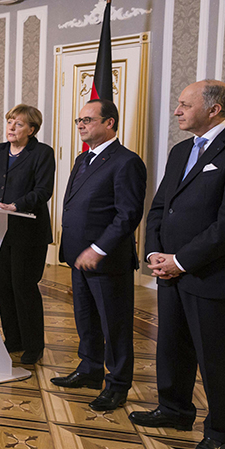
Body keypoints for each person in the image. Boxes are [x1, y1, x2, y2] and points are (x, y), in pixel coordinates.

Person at [130, 80, 225, 449]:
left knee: (216, 358)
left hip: (213, 275)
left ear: (214, 109)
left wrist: (182, 260)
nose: (176, 111)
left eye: (183, 104)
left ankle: (220, 432)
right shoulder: (180, 151)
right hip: (169, 270)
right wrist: (156, 253)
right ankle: (174, 409)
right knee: (171, 344)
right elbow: (160, 206)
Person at [50, 99, 146, 412]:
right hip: (79, 256)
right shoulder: (83, 160)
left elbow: (127, 213)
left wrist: (99, 248)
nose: (81, 124)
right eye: (79, 119)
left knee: (114, 325)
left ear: (110, 123)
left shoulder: (126, 161)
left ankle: (117, 385)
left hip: (107, 260)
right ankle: (90, 369)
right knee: (86, 319)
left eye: (88, 119)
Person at [0, 104, 55, 364]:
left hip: (28, 231)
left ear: (32, 130)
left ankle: (33, 345)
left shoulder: (42, 153)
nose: (11, 127)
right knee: (4, 285)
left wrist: (14, 205)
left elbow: (43, 190)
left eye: (18, 123)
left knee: (24, 287)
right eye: (10, 121)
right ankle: (13, 339)